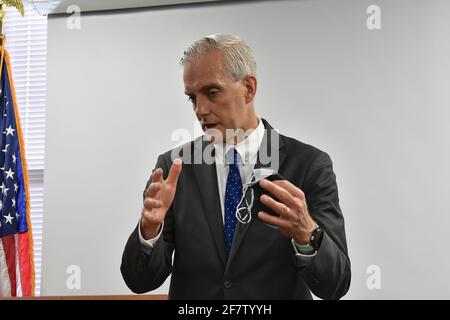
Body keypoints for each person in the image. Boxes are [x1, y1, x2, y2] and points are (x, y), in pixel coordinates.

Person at [121, 34, 351, 299]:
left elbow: (335, 285)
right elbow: (140, 282)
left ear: (249, 88)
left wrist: (307, 233)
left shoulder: (309, 165)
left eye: (211, 92)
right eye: (192, 98)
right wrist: (149, 230)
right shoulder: (175, 168)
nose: (200, 109)